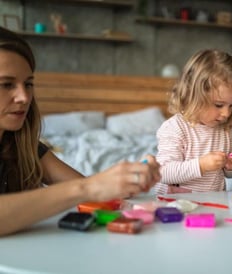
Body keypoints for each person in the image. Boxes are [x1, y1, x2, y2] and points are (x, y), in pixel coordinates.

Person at [0, 26, 161, 236]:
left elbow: (88, 189)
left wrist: (126, 181)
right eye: (6, 84)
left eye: (28, 84)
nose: (24, 97)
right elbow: (85, 188)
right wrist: (89, 188)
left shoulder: (23, 146)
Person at [154, 49, 232, 194]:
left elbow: (228, 174)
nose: (226, 113)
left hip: (213, 203)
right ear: (194, 96)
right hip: (176, 207)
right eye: (218, 105)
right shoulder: (175, 128)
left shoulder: (224, 128)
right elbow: (163, 172)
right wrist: (201, 165)